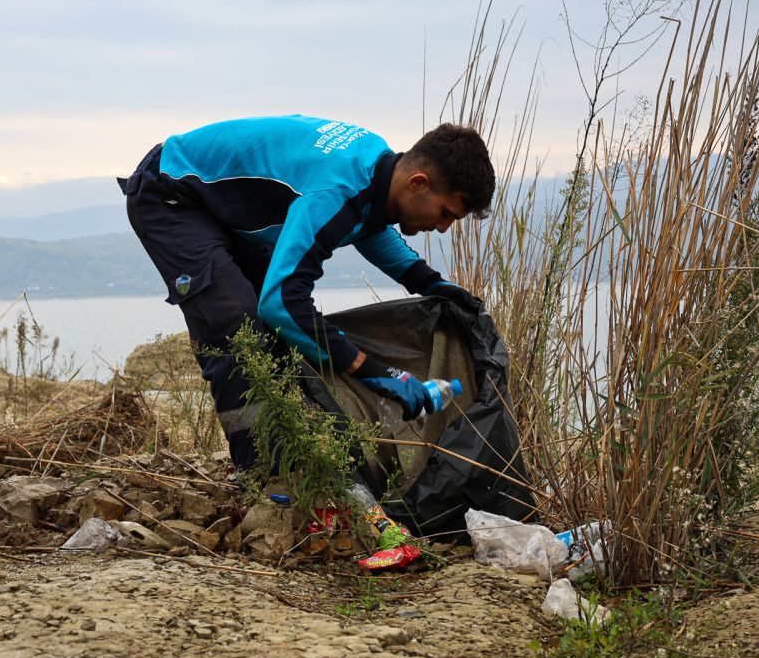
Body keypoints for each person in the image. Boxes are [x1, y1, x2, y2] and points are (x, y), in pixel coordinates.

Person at [119, 114, 493, 470]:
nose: (443, 228)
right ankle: (263, 476)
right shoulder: (336, 187)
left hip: (225, 212)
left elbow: (367, 223)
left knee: (280, 338)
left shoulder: (375, 167)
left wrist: (431, 283)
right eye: (446, 213)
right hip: (171, 192)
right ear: (418, 182)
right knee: (239, 328)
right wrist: (374, 372)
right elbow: (281, 301)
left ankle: (296, 458)